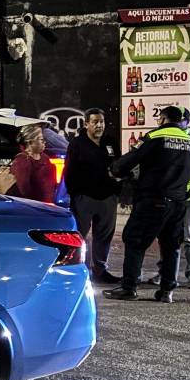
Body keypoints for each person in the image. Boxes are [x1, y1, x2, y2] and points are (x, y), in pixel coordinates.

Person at [105, 106, 190, 303]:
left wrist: (116, 171)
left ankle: (129, 287)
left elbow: (128, 162)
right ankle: (167, 291)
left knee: (135, 240)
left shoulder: (155, 137)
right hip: (179, 203)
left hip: (152, 200)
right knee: (171, 246)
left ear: (163, 119)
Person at [64, 108, 122, 284]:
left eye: (102, 122)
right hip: (84, 198)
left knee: (104, 236)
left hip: (107, 198)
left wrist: (117, 191)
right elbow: (69, 172)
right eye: (95, 122)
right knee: (80, 235)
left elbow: (119, 166)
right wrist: (75, 196)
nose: (99, 125)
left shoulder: (110, 142)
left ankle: (100, 270)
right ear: (86, 124)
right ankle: (81, 270)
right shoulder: (77, 144)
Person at [5, 124, 56, 203]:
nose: (44, 142)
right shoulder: (22, 161)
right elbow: (23, 191)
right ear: (30, 142)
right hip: (31, 206)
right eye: (41, 139)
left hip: (46, 205)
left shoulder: (45, 158)